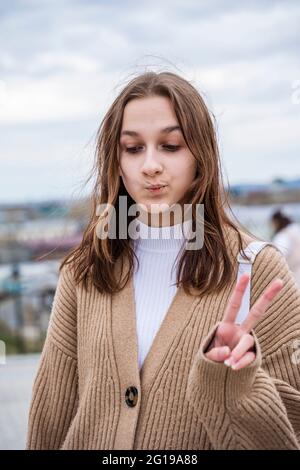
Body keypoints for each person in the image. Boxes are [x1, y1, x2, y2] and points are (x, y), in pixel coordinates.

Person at [26, 71, 300, 450]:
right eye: (133, 148)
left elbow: (292, 430)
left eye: (171, 146)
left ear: (200, 155)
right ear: (116, 159)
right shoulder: (86, 267)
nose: (150, 165)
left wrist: (238, 381)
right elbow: (51, 414)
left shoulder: (256, 268)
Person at [270, 209, 300, 288]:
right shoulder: (296, 229)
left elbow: (277, 258)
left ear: (277, 221)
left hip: (292, 279)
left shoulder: (282, 236)